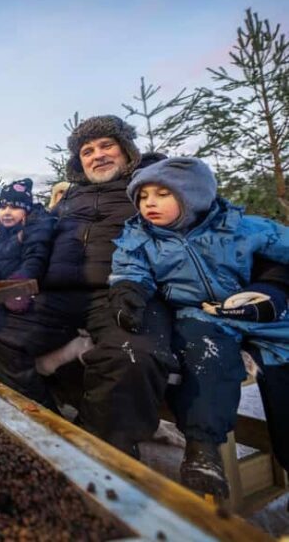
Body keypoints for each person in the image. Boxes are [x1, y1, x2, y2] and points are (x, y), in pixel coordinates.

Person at [0, 115, 178, 457]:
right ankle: (46, 427)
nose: (97, 155)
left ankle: (107, 454)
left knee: (132, 355)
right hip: (58, 295)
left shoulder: (146, 191)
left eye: (106, 145)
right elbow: (38, 240)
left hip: (120, 291)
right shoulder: (69, 199)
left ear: (127, 151)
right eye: (87, 150)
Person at [109, 157, 289, 497]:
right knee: (204, 357)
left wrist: (272, 292)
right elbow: (129, 269)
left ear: (193, 196)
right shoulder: (140, 238)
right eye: (143, 196)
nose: (149, 203)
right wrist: (128, 293)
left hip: (256, 309)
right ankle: (203, 448)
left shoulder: (240, 227)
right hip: (200, 313)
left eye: (162, 194)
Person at [0, 178, 56, 311]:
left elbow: (35, 260)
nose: (7, 212)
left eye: (15, 207)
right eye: (3, 207)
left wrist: (19, 283)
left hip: (25, 299)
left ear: (27, 211)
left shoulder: (33, 232)